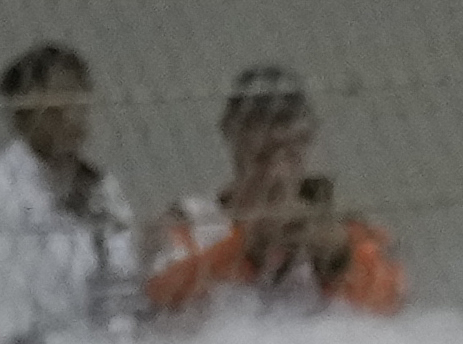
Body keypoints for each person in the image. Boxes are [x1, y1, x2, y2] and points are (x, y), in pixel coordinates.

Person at [145, 63, 406, 321]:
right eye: (259, 123)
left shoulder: (347, 227)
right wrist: (246, 249)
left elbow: (392, 303)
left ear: (308, 136)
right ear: (230, 132)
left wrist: (337, 259)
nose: (276, 134)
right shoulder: (189, 222)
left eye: (287, 122)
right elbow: (159, 295)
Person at [0, 41, 140, 344]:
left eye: (78, 97)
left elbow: (120, 277)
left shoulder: (101, 190)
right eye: (57, 98)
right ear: (22, 112)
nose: (71, 113)